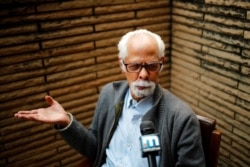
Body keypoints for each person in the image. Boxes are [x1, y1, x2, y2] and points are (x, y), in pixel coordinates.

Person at [15, 29, 206, 167]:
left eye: (152, 65)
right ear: (122, 65)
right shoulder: (110, 94)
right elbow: (94, 149)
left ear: (162, 64)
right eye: (134, 66)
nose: (143, 75)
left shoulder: (181, 118)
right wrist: (67, 122)